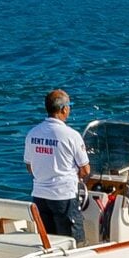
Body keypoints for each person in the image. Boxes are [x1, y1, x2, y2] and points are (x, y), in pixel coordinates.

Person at [24, 89, 90, 245]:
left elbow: (29, 166)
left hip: (40, 196)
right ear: (64, 109)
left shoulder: (32, 133)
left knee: (50, 240)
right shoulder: (71, 135)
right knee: (72, 240)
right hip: (63, 196)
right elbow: (86, 170)